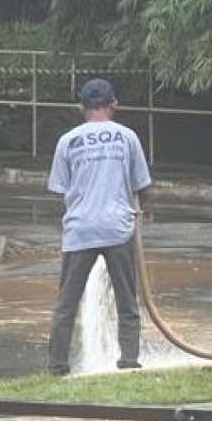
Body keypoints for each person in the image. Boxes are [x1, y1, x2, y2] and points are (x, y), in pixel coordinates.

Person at [46, 77, 153, 373]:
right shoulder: (127, 137)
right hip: (117, 228)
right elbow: (142, 185)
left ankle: (57, 365)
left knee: (66, 304)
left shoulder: (68, 141)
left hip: (80, 231)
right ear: (113, 105)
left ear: (82, 107)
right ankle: (129, 359)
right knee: (127, 302)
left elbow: (60, 188)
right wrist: (146, 211)